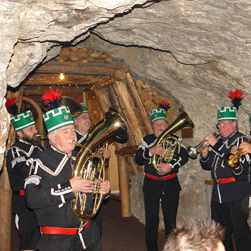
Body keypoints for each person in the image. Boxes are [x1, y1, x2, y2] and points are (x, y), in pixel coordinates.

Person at [24, 90, 110, 251]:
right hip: (57, 242)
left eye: (72, 130)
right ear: (52, 137)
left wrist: (102, 190)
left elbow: (92, 187)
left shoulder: (81, 158)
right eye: (65, 132)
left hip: (89, 236)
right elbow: (33, 199)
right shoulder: (39, 162)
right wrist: (69, 187)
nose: (72, 135)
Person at [135, 101, 189, 251]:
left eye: (162, 124)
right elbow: (138, 158)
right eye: (156, 125)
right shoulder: (146, 141)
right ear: (152, 127)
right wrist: (151, 151)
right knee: (151, 220)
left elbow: (184, 156)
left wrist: (170, 165)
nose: (159, 127)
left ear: (167, 125)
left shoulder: (175, 140)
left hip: (170, 184)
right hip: (151, 184)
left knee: (171, 220)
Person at [200, 106, 251, 251]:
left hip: (236, 193)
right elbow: (208, 165)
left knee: (241, 233)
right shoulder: (219, 142)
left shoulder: (240, 139)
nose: (220, 127)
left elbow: (236, 163)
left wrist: (216, 145)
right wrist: (204, 154)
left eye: (224, 123)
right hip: (218, 194)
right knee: (221, 235)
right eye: (219, 124)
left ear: (234, 124)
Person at [6, 101, 42, 251]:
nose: (35, 131)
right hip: (26, 204)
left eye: (34, 127)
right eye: (31, 129)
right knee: (29, 244)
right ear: (20, 133)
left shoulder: (39, 148)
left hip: (43, 199)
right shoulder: (14, 151)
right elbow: (26, 171)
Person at [74, 103, 110, 236]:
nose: (88, 120)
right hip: (78, 187)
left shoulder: (96, 139)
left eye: (89, 117)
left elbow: (101, 167)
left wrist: (104, 158)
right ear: (75, 121)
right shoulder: (71, 140)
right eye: (84, 117)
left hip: (95, 186)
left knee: (96, 224)